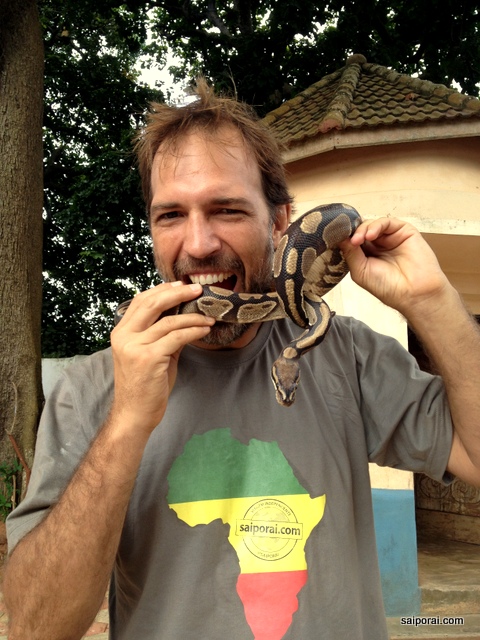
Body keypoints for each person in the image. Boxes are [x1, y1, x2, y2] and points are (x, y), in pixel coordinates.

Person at [3, 79, 480, 640]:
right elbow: (36, 627)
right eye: (170, 215)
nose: (198, 244)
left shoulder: (348, 354)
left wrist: (435, 303)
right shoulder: (89, 388)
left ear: (280, 222)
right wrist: (127, 421)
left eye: (226, 209)